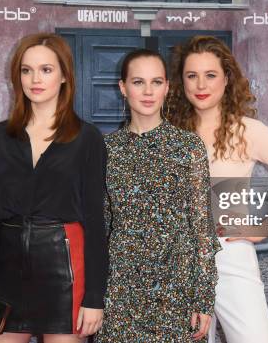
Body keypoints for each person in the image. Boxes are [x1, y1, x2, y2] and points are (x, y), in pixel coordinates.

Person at [167, 36, 268, 343]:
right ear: (181, 83)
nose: (200, 84)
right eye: (191, 76)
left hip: (229, 254)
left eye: (210, 75)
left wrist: (264, 228)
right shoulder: (169, 134)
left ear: (227, 79)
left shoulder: (249, 131)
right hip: (177, 260)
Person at [0, 33, 108, 342]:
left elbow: (96, 223)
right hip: (7, 273)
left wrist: (95, 296)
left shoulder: (88, 138)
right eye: (26, 70)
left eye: (46, 69)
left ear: (65, 76)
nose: (34, 79)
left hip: (66, 272)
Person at [95, 49, 221, 342]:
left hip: (176, 290)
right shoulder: (105, 149)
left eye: (156, 82)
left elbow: (202, 228)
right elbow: (101, 226)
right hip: (121, 287)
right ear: (123, 88)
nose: (148, 91)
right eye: (138, 82)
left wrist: (203, 297)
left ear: (167, 87)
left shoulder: (188, 146)